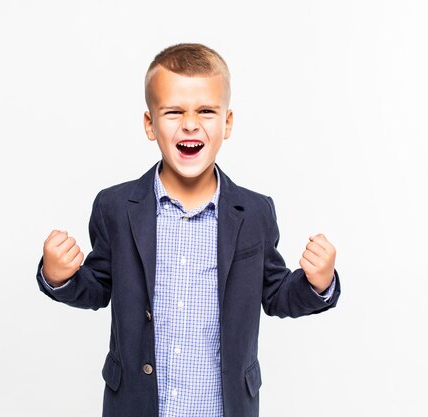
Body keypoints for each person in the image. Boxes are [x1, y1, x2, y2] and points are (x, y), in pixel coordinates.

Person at [35, 43, 341, 417]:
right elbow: (97, 287)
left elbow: (276, 294)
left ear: (227, 123)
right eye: (174, 111)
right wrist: (59, 277)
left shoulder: (255, 213)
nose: (191, 124)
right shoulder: (114, 207)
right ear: (150, 124)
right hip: (137, 406)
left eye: (207, 111)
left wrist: (318, 283)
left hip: (222, 407)